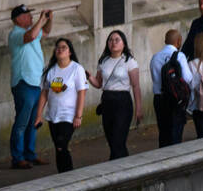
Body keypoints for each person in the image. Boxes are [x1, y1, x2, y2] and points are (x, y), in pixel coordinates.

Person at [7, 4, 52, 169]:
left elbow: (45, 32)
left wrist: (48, 20)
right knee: (22, 122)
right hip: (23, 83)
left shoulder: (31, 31)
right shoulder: (16, 34)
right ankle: (17, 157)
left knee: (34, 121)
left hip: (36, 82)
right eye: (27, 15)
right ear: (18, 19)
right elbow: (31, 36)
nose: (31, 18)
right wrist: (41, 20)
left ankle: (30, 154)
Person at [34, 38, 87, 173]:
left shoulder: (76, 69)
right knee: (58, 146)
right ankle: (62, 175)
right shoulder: (50, 70)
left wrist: (78, 116)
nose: (60, 49)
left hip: (68, 115)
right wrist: (38, 115)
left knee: (61, 145)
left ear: (70, 52)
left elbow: (81, 93)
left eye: (64, 47)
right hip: (53, 115)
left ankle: (68, 174)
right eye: (58, 47)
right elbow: (44, 93)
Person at [86, 30, 141, 160]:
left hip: (122, 101)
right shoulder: (103, 61)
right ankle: (124, 167)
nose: (113, 42)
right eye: (110, 40)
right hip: (107, 101)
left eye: (117, 40)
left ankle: (116, 170)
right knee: (112, 141)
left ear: (123, 43)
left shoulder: (129, 61)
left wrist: (139, 108)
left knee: (118, 140)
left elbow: (136, 86)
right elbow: (99, 83)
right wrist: (89, 77)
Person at [149, 29, 191, 147]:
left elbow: (155, 78)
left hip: (159, 99)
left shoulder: (155, 57)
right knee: (175, 135)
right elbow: (188, 78)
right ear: (178, 42)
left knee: (163, 133)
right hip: (175, 99)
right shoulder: (180, 56)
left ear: (165, 41)